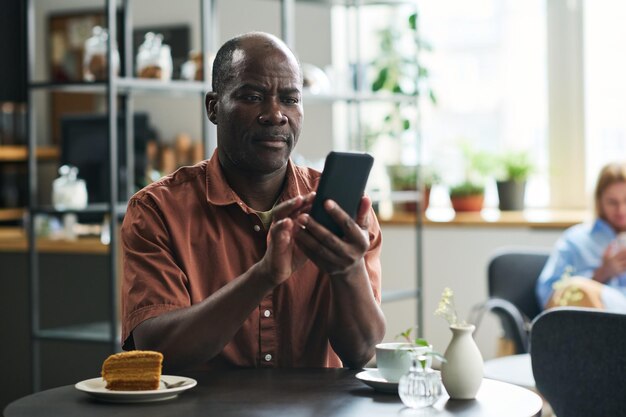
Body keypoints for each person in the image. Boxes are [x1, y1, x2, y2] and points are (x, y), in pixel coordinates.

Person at [120, 32, 386, 373]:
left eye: (290, 99)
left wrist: (347, 271)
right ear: (214, 108)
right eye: (252, 96)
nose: (275, 114)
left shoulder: (342, 213)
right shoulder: (157, 211)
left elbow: (362, 354)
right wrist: (263, 276)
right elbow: (158, 354)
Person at [536, 162, 626, 312]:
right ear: (599, 201)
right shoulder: (576, 240)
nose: (621, 210)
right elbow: (549, 297)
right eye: (612, 202)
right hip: (593, 324)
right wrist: (601, 273)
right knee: (576, 287)